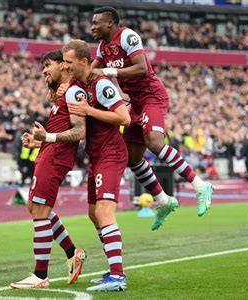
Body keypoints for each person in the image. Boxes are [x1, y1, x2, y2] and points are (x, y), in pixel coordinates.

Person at [90, 6, 213, 230]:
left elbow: (142, 69)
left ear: (109, 23)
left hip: (151, 96)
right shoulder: (102, 47)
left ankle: (200, 185)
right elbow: (90, 73)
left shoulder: (127, 36)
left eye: (95, 22)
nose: (91, 27)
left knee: (154, 142)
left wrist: (108, 73)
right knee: (131, 158)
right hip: (134, 102)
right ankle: (164, 201)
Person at [10, 50, 87, 289]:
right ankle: (73, 252)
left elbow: (80, 131)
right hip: (49, 153)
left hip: (55, 158)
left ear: (64, 65)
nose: (44, 70)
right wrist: (39, 141)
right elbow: (63, 128)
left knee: (40, 212)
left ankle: (40, 274)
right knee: (33, 206)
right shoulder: (61, 93)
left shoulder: (73, 91)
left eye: (48, 65)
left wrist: (48, 136)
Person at [63, 39, 131, 292]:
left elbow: (123, 117)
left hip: (111, 153)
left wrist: (89, 111)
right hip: (97, 155)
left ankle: (117, 275)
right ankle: (113, 270)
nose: (65, 66)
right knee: (93, 214)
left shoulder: (101, 84)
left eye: (69, 62)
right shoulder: (77, 85)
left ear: (83, 61)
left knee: (104, 212)